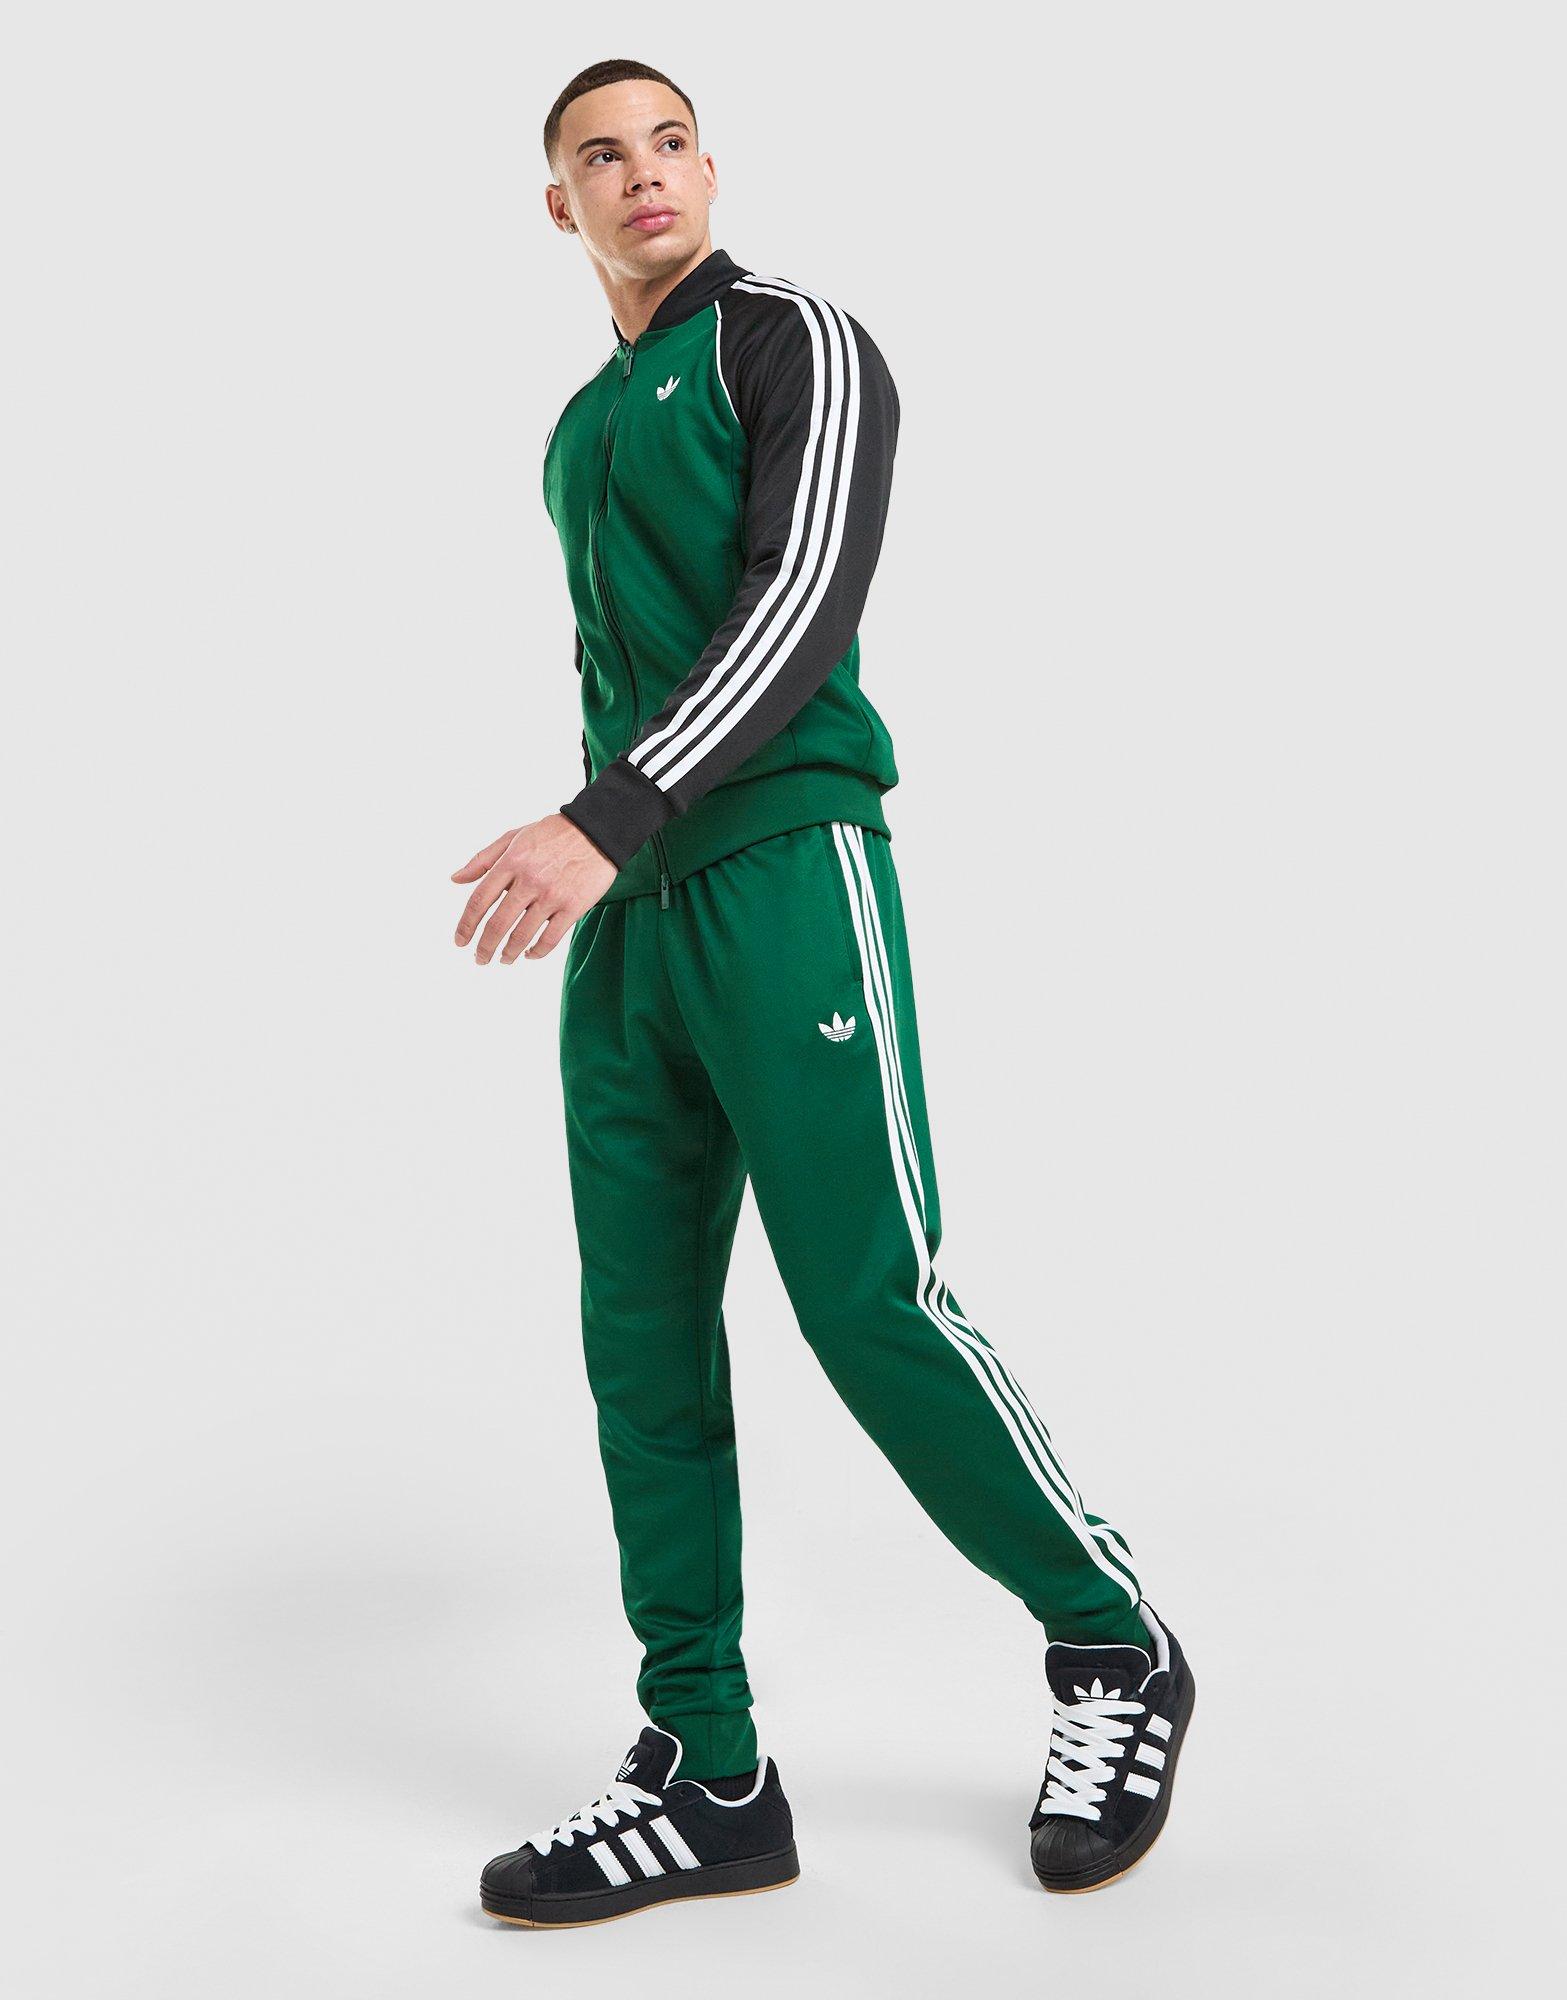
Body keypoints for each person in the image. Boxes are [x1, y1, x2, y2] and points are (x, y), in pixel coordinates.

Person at [453, 58, 1194, 1928]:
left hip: (783, 872)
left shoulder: (791, 338)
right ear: (557, 205)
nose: (642, 175)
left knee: (868, 1296)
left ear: (711, 169)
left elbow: (799, 604)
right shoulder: (580, 423)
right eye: (600, 156)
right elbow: (621, 657)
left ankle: (1111, 1643)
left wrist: (605, 815)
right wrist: (609, 843)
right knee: (640, 1334)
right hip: (633, 920)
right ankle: (708, 1770)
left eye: (668, 143)